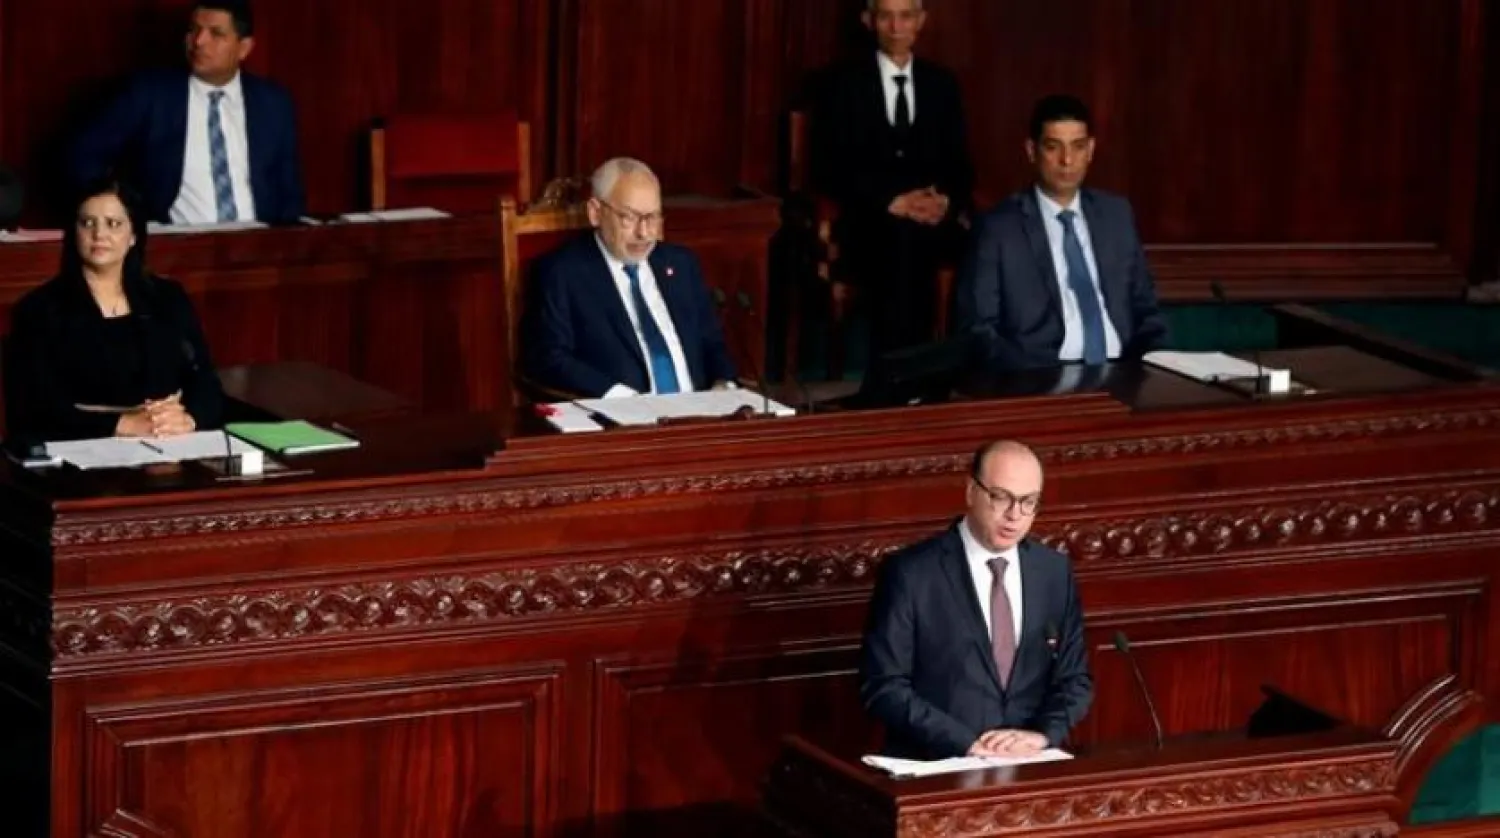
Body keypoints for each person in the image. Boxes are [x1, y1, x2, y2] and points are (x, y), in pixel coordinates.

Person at [860, 440, 1093, 759]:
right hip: (938, 765)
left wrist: (1039, 736)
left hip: (1028, 764)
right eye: (1001, 497)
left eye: (1028, 502)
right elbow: (883, 685)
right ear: (971, 491)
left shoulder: (1053, 572)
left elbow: (1074, 680)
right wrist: (966, 744)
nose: (1014, 515)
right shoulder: (913, 573)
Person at [952, 95, 1168, 373]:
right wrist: (1033, 379)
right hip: (1039, 378)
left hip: (1123, 373)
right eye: (1054, 147)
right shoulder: (997, 228)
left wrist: (1157, 364)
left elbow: (1148, 312)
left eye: (1078, 147)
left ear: (1090, 150)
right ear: (1032, 150)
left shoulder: (1116, 215)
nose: (1067, 160)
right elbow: (977, 330)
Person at [3, 180, 223, 445]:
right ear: (74, 233)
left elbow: (206, 384)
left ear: (133, 235)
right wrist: (121, 424)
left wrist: (188, 419)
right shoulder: (39, 310)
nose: (99, 235)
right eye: (87, 223)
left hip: (169, 442)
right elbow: (33, 409)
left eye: (113, 224)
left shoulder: (168, 298)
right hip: (82, 449)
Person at [813, 0, 974, 359]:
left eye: (906, 16)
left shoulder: (942, 84)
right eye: (886, 16)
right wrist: (892, 201)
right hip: (867, 218)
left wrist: (944, 200)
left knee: (972, 238)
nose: (897, 26)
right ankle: (901, 369)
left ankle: (943, 367)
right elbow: (829, 166)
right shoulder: (841, 83)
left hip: (934, 219)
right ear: (869, 20)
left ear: (921, 21)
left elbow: (960, 165)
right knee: (901, 240)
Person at [67, 1, 305, 225]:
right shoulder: (149, 93)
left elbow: (288, 190)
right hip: (175, 245)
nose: (199, 41)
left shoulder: (273, 103)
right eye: (194, 30)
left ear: (243, 48)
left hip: (257, 244)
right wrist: (119, 217)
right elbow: (83, 156)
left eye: (216, 33)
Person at [521, 158, 737, 398]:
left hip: (699, 417)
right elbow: (549, 357)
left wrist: (723, 385)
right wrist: (618, 397)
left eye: (652, 217)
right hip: (621, 420)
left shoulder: (681, 265)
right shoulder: (562, 272)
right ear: (595, 213)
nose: (644, 233)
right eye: (629, 218)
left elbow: (712, 343)